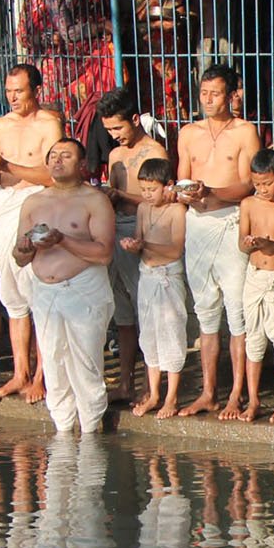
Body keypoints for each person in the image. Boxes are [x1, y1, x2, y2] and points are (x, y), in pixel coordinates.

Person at [13, 138, 118, 435]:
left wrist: (62, 240)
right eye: (54, 156)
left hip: (83, 288)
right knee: (54, 364)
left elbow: (104, 253)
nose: (58, 161)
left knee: (85, 364)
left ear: (82, 164)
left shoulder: (94, 200)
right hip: (45, 292)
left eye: (66, 156)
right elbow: (19, 257)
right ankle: (62, 430)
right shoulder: (33, 201)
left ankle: (91, 431)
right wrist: (25, 248)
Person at [176, 64, 262, 418]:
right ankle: (209, 391)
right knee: (206, 314)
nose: (208, 101)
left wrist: (212, 191)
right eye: (204, 93)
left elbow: (249, 183)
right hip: (197, 225)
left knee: (237, 312)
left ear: (231, 95)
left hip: (230, 222)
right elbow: (182, 179)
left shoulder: (245, 132)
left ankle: (237, 393)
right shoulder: (188, 133)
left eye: (216, 94)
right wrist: (188, 193)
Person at [0, 64, 63, 403]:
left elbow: (54, 173)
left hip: (35, 202)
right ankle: (20, 373)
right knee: (11, 294)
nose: (13, 97)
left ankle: (42, 375)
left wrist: (8, 167)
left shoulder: (48, 124)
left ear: (36, 91)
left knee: (37, 292)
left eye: (20, 91)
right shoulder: (1, 125)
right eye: (9, 91)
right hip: (5, 203)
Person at [99, 89, 170, 405]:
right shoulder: (115, 156)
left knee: (148, 313)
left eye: (119, 129)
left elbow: (161, 197)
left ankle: (153, 388)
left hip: (142, 231)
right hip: (114, 232)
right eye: (109, 131)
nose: (115, 136)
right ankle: (126, 383)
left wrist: (123, 198)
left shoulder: (154, 150)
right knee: (123, 316)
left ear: (134, 119)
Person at [121, 156, 188, 419]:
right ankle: (155, 394)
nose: (148, 195)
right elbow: (139, 240)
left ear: (168, 186)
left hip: (168, 275)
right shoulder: (141, 210)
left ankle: (171, 396)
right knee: (149, 336)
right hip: (147, 275)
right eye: (144, 190)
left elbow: (175, 248)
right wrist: (134, 245)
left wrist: (143, 246)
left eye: (152, 189)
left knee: (172, 333)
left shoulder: (177, 211)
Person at [236, 148, 274, 424]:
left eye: (267, 183)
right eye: (257, 184)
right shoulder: (248, 204)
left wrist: (269, 244)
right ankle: (253, 400)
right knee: (254, 340)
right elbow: (241, 243)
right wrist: (250, 244)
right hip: (255, 275)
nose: (262, 189)